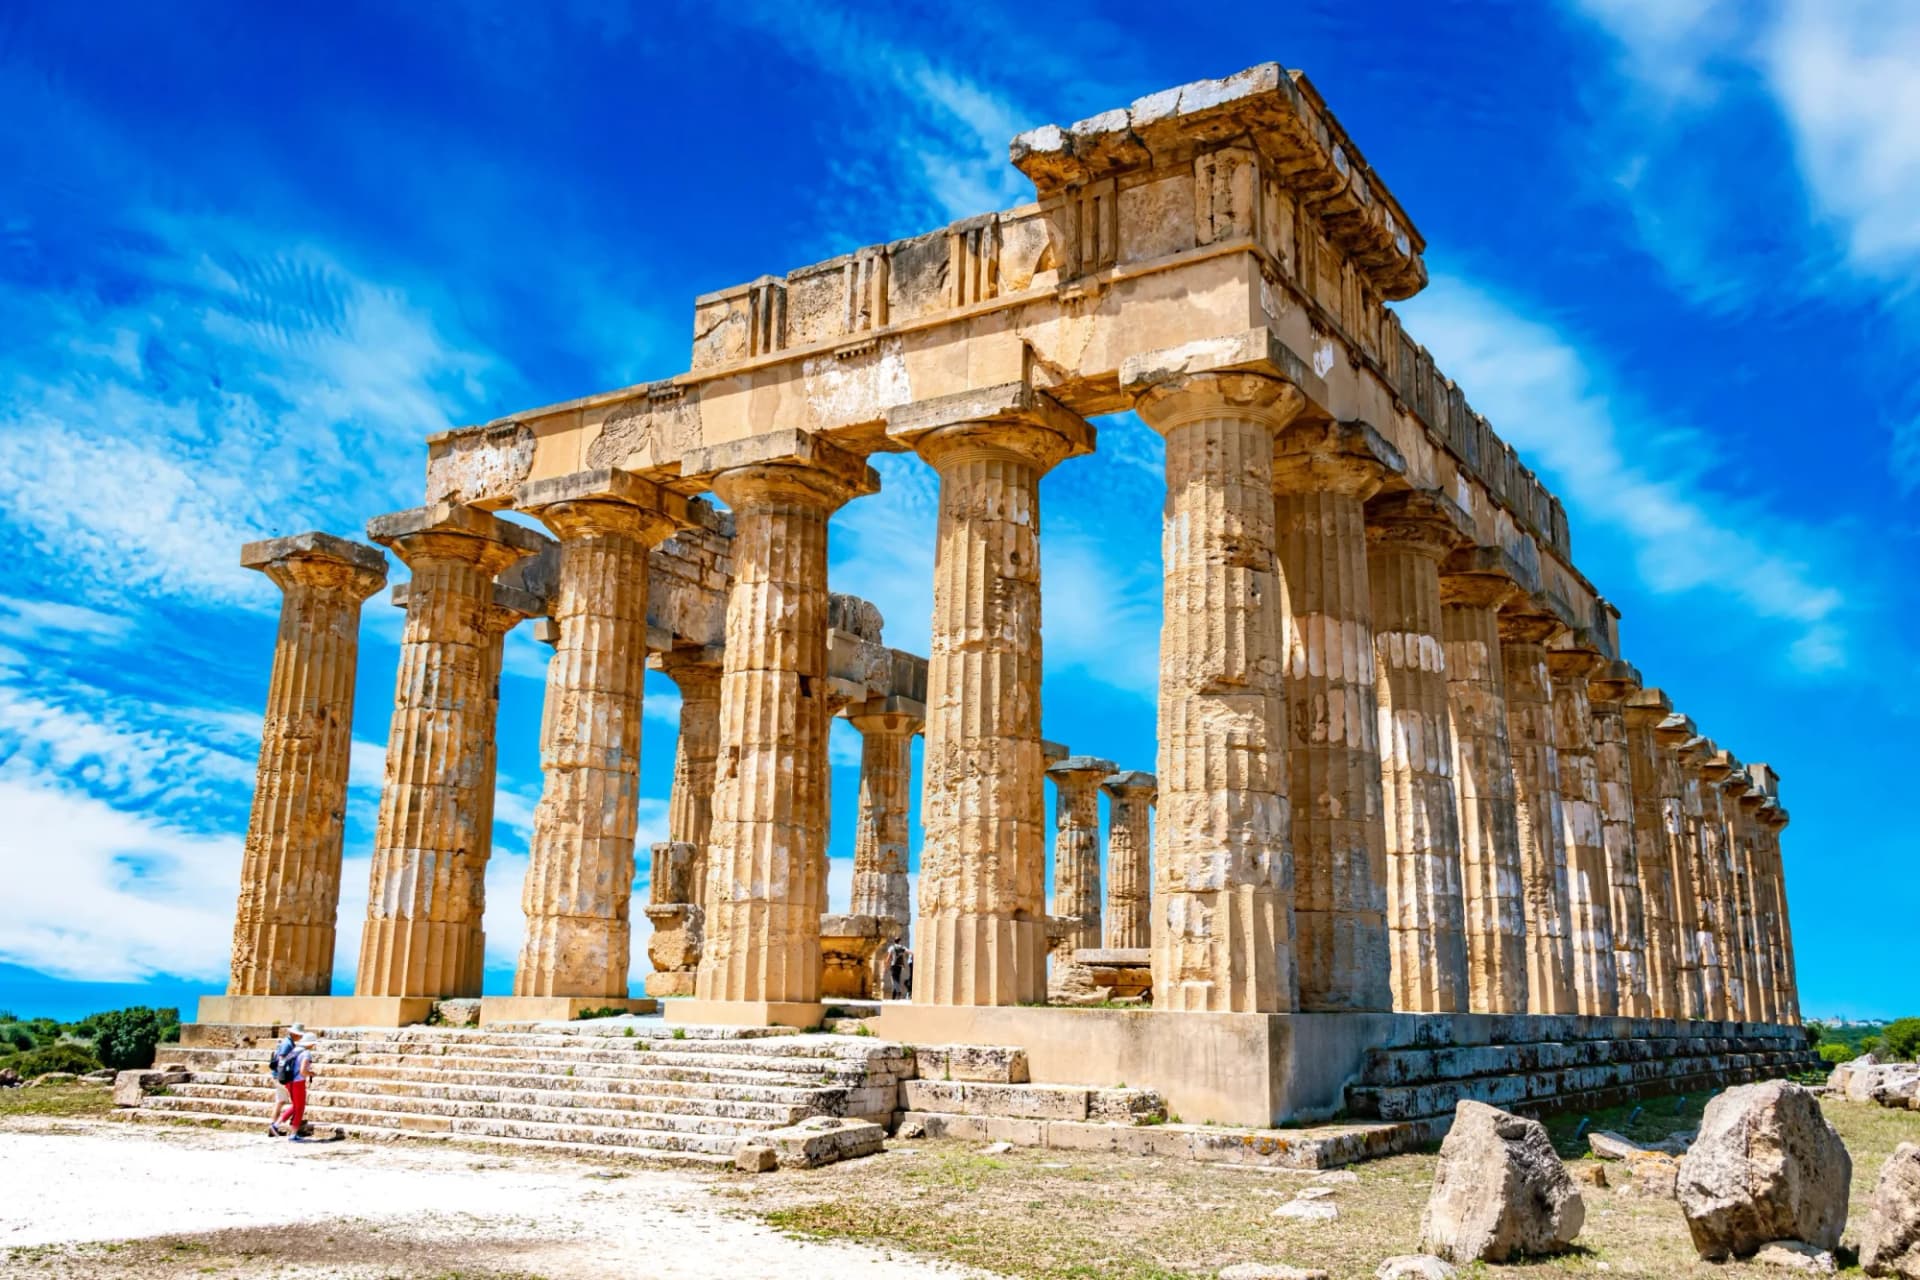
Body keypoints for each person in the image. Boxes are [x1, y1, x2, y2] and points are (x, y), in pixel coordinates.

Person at [268, 1024, 311, 1139]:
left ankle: (276, 1126)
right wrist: (284, 1076)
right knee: (286, 1102)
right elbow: (282, 1061)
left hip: (286, 1078)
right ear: (296, 1034)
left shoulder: (291, 1045)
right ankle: (276, 1126)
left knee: (288, 1103)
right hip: (284, 1077)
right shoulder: (288, 1044)